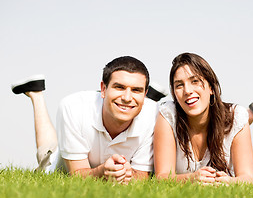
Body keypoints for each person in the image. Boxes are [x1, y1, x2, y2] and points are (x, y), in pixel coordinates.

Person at [11, 56, 158, 184]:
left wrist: (129, 174)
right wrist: (102, 172)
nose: (127, 97)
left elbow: (142, 177)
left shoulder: (154, 115)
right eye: (119, 87)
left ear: (145, 94)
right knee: (48, 151)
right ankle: (36, 94)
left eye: (136, 90)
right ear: (103, 89)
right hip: (61, 163)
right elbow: (77, 174)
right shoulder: (73, 107)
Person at [153, 53, 253, 184]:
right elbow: (162, 177)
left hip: (228, 118)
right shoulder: (168, 114)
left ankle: (250, 115)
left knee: (237, 118)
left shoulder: (236, 117)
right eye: (179, 85)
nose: (187, 90)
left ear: (211, 87)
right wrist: (191, 178)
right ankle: (251, 115)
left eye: (195, 81)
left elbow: (248, 178)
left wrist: (229, 182)